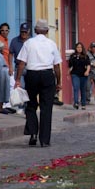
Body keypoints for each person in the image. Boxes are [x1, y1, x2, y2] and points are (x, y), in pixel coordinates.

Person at [14, 19, 62, 148]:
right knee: (46, 108)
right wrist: (59, 82)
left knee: (31, 104)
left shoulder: (29, 43)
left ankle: (33, 133)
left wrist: (18, 79)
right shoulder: (52, 44)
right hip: (47, 75)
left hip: (32, 75)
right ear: (47, 31)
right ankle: (45, 140)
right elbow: (56, 65)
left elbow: (21, 63)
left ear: (35, 30)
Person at [68, 42, 90, 110]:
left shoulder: (86, 56)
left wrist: (87, 71)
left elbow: (88, 65)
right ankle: (76, 102)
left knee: (83, 89)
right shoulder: (73, 56)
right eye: (78, 47)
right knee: (76, 88)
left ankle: (83, 104)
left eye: (80, 47)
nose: (79, 49)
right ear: (76, 48)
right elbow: (70, 66)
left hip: (83, 74)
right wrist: (68, 73)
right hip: (75, 74)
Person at [9, 22, 31, 87]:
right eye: (22, 32)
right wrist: (10, 66)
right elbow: (10, 53)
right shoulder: (14, 41)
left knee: (30, 89)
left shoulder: (32, 41)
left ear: (29, 31)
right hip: (18, 67)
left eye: (25, 32)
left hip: (30, 67)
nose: (23, 33)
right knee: (19, 88)